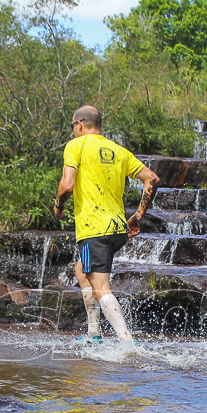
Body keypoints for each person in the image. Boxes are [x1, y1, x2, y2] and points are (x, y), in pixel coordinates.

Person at [52, 105, 160, 343]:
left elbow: (67, 185)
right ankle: (94, 333)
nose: (73, 131)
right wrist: (138, 216)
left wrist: (58, 206)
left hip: (94, 228)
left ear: (79, 124)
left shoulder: (76, 146)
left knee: (100, 286)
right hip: (118, 228)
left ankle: (127, 341)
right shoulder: (118, 150)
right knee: (81, 272)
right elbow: (152, 179)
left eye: (73, 127)